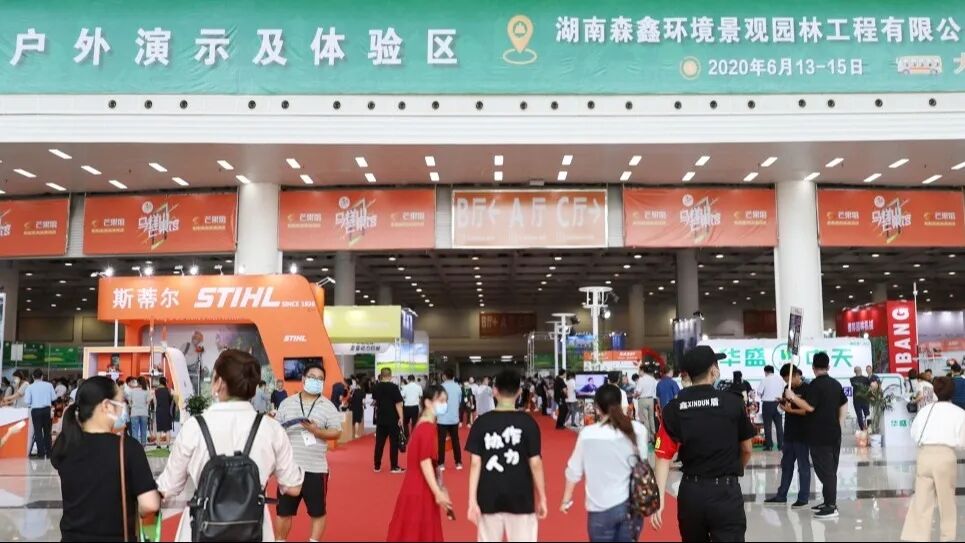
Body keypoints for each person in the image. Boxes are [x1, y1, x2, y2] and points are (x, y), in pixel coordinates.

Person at [157, 349, 304, 541]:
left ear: (218, 382)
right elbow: (293, 487)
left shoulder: (195, 427)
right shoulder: (271, 428)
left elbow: (167, 488)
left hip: (200, 529)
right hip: (253, 530)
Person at [652, 346, 755, 542]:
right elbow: (747, 449)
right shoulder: (733, 403)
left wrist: (660, 497)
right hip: (725, 491)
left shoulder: (673, 409)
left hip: (691, 493)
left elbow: (663, 456)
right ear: (713, 370)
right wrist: (735, 469)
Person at [51, 376, 161, 541]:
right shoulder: (128, 447)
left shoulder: (66, 445)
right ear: (107, 406)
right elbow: (150, 504)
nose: (124, 409)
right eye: (121, 403)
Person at [467, 370, 547, 542]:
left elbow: (475, 463)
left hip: (488, 497)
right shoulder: (528, 423)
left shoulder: (481, 423)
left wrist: (472, 500)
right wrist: (542, 497)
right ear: (519, 392)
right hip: (521, 497)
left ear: (494, 391)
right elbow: (535, 463)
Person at [561, 384, 647, 542]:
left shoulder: (588, 434)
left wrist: (566, 499)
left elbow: (574, 471)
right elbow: (643, 464)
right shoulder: (638, 430)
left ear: (597, 407)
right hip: (632, 506)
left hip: (600, 509)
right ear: (620, 402)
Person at [275, 363, 343, 543]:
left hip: (316, 468)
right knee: (283, 512)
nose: (316, 381)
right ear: (304, 379)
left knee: (317, 512)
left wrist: (317, 431)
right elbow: (276, 430)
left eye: (320, 379)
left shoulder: (328, 406)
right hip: (289, 469)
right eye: (313, 377)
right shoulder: (287, 403)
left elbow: (336, 432)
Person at [900, 377, 965, 542]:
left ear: (935, 391)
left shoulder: (925, 411)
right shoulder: (959, 413)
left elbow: (914, 434)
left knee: (921, 500)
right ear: (952, 392)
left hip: (924, 456)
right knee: (946, 501)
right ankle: (947, 537)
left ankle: (918, 537)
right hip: (945, 457)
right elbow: (962, 441)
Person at [785, 351, 847, 520]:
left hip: (820, 436)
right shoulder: (836, 384)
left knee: (826, 471)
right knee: (830, 469)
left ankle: (831, 506)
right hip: (834, 433)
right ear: (828, 366)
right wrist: (839, 424)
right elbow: (844, 404)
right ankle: (827, 501)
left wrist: (792, 397)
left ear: (813, 368)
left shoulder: (815, 385)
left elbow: (809, 407)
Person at [386, 385, 452, 542]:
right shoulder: (427, 428)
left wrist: (440, 488)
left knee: (412, 529)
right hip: (421, 486)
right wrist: (437, 492)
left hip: (415, 484)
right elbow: (425, 462)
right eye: (441, 401)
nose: (444, 404)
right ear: (428, 402)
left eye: (445, 401)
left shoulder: (422, 424)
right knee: (419, 530)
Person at [764, 364, 812, 508]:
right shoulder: (787, 388)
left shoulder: (808, 389)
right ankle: (781, 495)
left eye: (789, 379)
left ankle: (803, 497)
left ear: (797, 375)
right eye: (785, 380)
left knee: (803, 467)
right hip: (789, 434)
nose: (787, 383)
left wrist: (791, 411)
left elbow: (808, 411)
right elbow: (786, 407)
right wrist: (782, 403)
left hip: (803, 434)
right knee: (786, 465)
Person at [372, 368, 405, 473]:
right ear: (390, 376)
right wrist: (401, 417)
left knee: (379, 443)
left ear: (381, 375)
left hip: (381, 418)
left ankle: (377, 466)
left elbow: (375, 401)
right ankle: (394, 466)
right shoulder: (394, 387)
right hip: (393, 419)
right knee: (393, 443)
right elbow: (398, 404)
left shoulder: (376, 387)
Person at [24, 369, 56, 458]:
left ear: (33, 377)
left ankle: (41, 453)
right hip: (46, 410)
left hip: (35, 411)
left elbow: (27, 401)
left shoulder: (30, 387)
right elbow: (54, 398)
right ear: (42, 376)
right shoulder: (49, 385)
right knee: (47, 432)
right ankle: (49, 453)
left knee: (38, 432)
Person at [438, 369, 463, 471]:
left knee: (441, 442)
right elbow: (460, 401)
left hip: (442, 418)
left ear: (444, 376)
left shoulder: (441, 387)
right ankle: (458, 462)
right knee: (455, 440)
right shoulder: (458, 387)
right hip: (454, 418)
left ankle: (441, 463)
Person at [756, 365, 785, 451]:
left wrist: (763, 396)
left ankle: (769, 446)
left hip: (767, 405)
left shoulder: (765, 379)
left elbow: (759, 392)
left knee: (767, 426)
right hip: (778, 403)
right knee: (779, 425)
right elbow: (783, 391)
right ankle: (781, 445)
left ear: (765, 372)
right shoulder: (780, 379)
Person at [634, 366, 657, 441]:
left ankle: (648, 437)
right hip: (651, 399)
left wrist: (634, 396)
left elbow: (638, 392)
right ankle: (654, 435)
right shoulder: (652, 379)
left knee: (645, 419)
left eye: (639, 371)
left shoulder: (641, 379)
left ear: (642, 370)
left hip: (643, 400)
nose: (638, 372)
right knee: (651, 418)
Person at [125, 377, 150, 447]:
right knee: (143, 431)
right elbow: (148, 401)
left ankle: (135, 447)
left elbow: (129, 401)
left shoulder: (132, 391)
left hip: (134, 413)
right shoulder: (146, 391)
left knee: (135, 431)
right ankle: (143, 446)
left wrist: (131, 406)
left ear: (137, 382)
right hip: (144, 413)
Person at [154, 377, 174, 449]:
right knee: (167, 429)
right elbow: (173, 399)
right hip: (167, 411)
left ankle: (158, 445)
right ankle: (168, 445)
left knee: (159, 429)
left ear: (159, 382)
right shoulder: (169, 390)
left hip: (159, 411)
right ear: (165, 382)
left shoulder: (156, 391)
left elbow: (155, 402)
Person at [850, 367, 872, 431]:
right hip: (861, 400)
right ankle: (867, 429)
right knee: (865, 415)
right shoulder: (853, 379)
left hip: (861, 400)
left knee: (863, 415)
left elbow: (870, 387)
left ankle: (865, 429)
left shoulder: (853, 379)